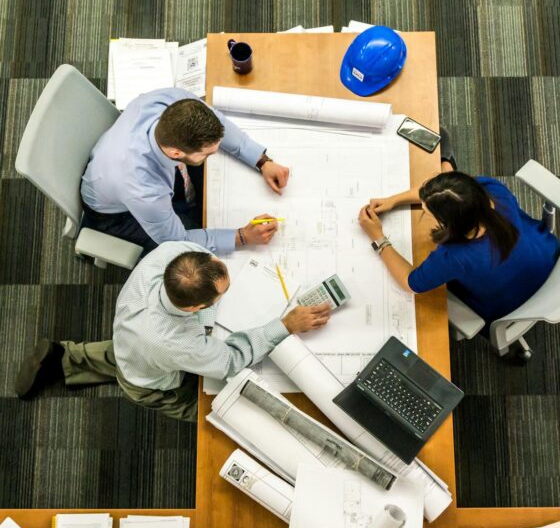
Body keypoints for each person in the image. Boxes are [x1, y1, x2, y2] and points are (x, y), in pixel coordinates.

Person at [15, 242, 331, 422]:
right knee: (215, 409)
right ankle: (68, 362)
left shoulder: (173, 255)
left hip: (132, 337)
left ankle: (64, 358)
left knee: (129, 353)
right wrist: (285, 325)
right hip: (150, 380)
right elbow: (230, 361)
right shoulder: (176, 342)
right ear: (194, 309)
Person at [358, 134, 560, 359]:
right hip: (548, 257)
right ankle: (447, 162)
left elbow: (411, 283)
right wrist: (394, 200)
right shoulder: (492, 191)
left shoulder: (455, 256)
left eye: (427, 212)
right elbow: (447, 193)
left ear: (448, 224)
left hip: (507, 304)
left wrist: (378, 238)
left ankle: (446, 162)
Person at [81, 88, 291, 253]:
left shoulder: (173, 101)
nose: (214, 155)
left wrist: (261, 160)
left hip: (119, 165)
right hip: (116, 214)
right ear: (175, 153)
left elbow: (219, 122)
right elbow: (178, 240)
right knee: (190, 253)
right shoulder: (143, 189)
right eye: (207, 154)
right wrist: (242, 237)